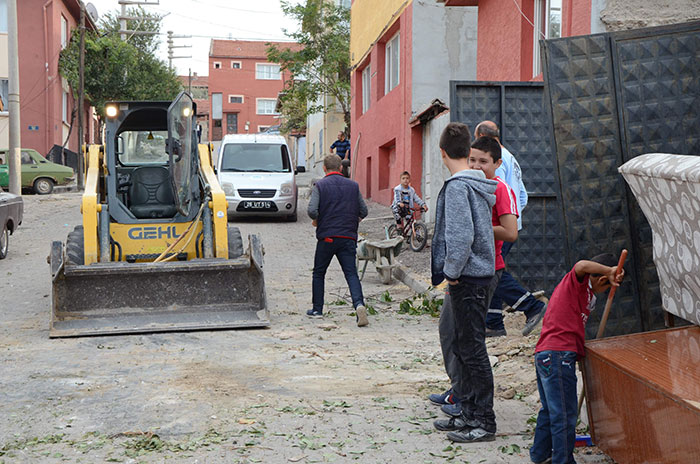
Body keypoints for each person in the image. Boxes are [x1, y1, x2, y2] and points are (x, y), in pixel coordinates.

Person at [430, 122, 499, 443]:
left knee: (471, 350)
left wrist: (451, 274)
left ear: (442, 152)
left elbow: (461, 238)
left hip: (469, 278)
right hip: (476, 275)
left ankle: (483, 421)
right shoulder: (475, 183)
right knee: (463, 346)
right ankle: (468, 413)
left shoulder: (458, 187)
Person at [530, 253, 624, 464]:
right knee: (565, 414)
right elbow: (581, 265)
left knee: (551, 409)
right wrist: (609, 271)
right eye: (606, 286)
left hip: (548, 355)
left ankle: (540, 454)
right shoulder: (576, 284)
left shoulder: (586, 296)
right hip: (557, 356)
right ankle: (563, 461)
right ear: (601, 279)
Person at [474, 121, 547, 337]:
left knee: (493, 272)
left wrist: (503, 220)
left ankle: (532, 306)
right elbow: (521, 195)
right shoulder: (511, 158)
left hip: (498, 228)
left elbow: (497, 193)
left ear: (481, 137)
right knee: (494, 273)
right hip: (507, 226)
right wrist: (514, 217)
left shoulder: (497, 162)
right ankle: (494, 323)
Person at [307, 154, 369, 327]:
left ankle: (317, 309)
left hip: (327, 237)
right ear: (341, 168)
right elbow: (363, 211)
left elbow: (312, 210)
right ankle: (359, 304)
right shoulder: (353, 186)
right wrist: (353, 220)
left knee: (319, 272)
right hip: (348, 237)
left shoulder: (320, 185)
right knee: (351, 274)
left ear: (324, 168)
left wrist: (319, 219)